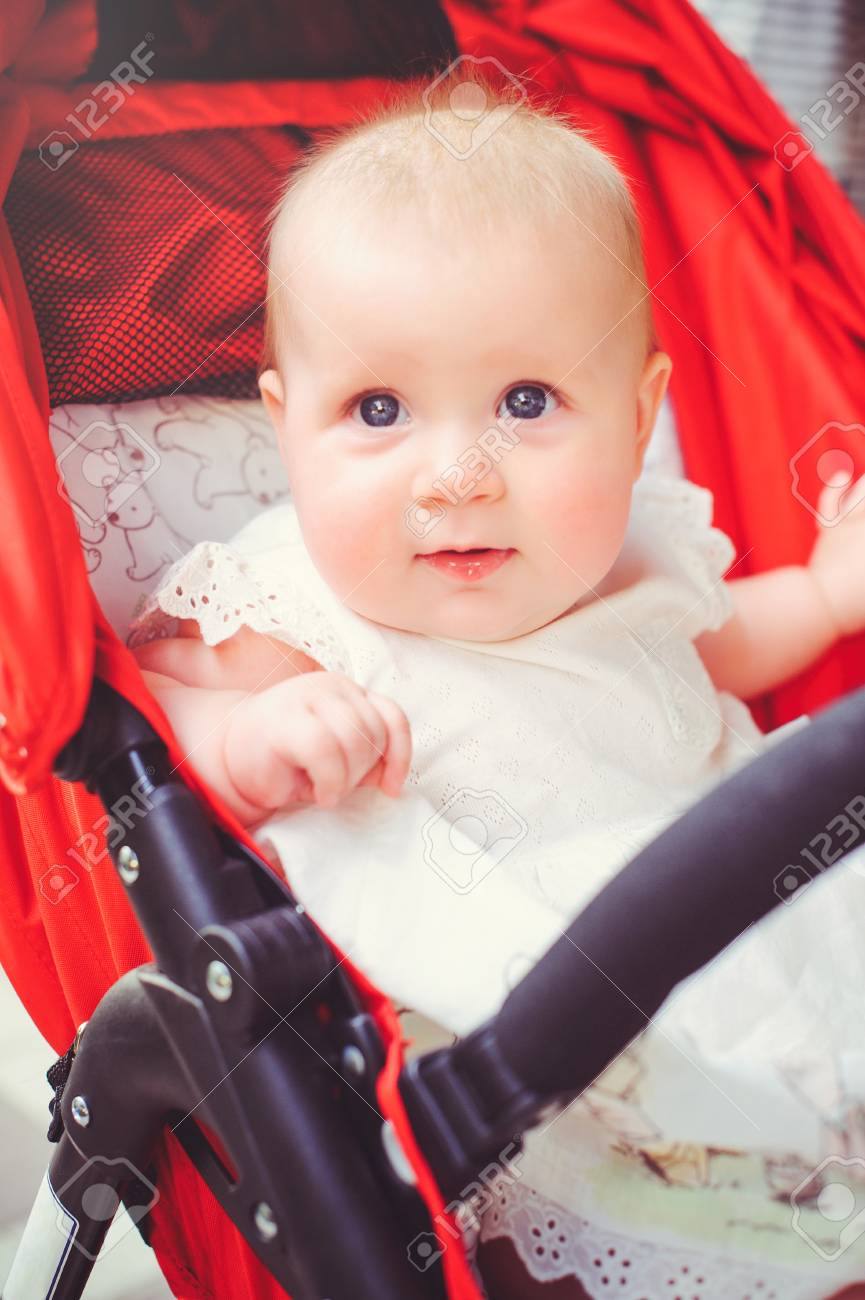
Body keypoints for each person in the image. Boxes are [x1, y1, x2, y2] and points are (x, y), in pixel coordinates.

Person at [129, 75, 865, 1298]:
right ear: (283, 427)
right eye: (377, 409)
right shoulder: (297, 607)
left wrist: (834, 598)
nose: (457, 473)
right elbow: (148, 721)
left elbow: (725, 647)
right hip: (533, 1059)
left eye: (527, 402)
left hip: (756, 935)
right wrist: (248, 730)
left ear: (639, 422)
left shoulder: (645, 557)